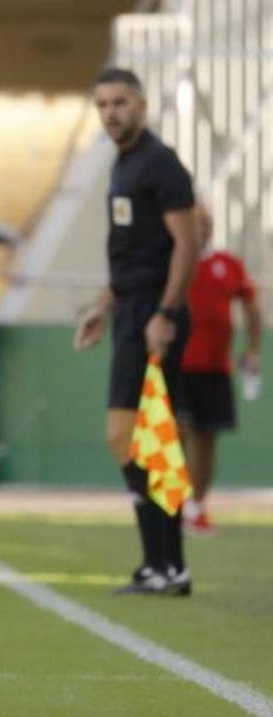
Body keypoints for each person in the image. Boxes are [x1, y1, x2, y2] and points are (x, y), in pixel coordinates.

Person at [74, 67, 199, 596]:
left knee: (141, 439)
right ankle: (161, 567)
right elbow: (132, 256)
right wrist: (104, 305)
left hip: (153, 315)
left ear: (142, 105)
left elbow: (187, 245)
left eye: (120, 102)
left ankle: (168, 566)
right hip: (130, 310)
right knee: (137, 442)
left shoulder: (161, 164)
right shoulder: (125, 165)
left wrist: (165, 314)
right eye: (102, 104)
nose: (111, 113)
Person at [180, 202, 262, 535]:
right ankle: (173, 504)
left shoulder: (227, 265)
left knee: (207, 438)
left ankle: (197, 506)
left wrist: (253, 348)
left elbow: (251, 305)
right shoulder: (173, 262)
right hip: (178, 365)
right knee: (177, 431)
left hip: (215, 368)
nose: (199, 229)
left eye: (204, 223)